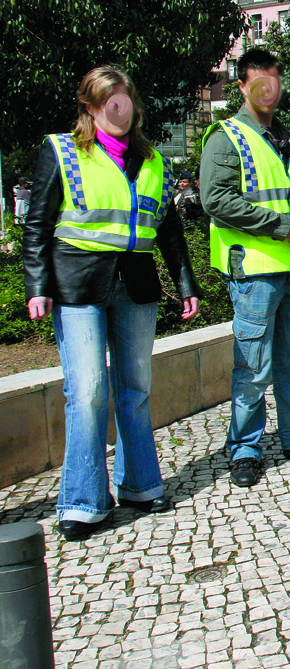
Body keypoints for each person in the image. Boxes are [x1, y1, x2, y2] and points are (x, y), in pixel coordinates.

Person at [23, 65, 201, 541]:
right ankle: (83, 501)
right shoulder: (61, 151)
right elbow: (37, 225)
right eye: (108, 101)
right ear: (91, 107)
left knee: (136, 390)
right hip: (77, 285)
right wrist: (36, 285)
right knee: (88, 392)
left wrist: (187, 284)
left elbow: (169, 229)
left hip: (136, 286)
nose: (118, 108)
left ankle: (141, 485)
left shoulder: (154, 160)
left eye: (124, 99)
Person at [199, 48, 290, 489]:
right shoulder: (226, 136)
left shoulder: (285, 139)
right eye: (258, 81)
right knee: (253, 365)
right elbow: (217, 202)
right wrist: (283, 226)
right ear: (242, 85)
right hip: (253, 269)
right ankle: (244, 449)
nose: (268, 89)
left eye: (274, 81)